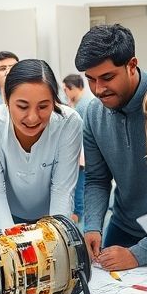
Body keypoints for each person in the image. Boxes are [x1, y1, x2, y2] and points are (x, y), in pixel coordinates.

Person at [75, 24, 147, 271]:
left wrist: (141, 252)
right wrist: (92, 227)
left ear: (132, 65)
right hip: (123, 226)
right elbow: (98, 179)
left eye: (107, 78)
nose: (98, 89)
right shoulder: (92, 113)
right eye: (90, 80)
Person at [0, 59, 82, 230]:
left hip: (49, 216)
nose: (32, 118)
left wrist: (53, 237)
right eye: (22, 106)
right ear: (6, 100)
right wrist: (14, 241)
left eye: (43, 106)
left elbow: (62, 190)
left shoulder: (68, 122)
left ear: (54, 101)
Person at [62, 73, 92, 223]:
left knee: (79, 187)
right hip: (83, 153)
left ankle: (76, 216)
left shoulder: (82, 105)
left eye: (66, 89)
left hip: (82, 153)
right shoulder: (84, 103)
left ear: (73, 88)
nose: (65, 93)